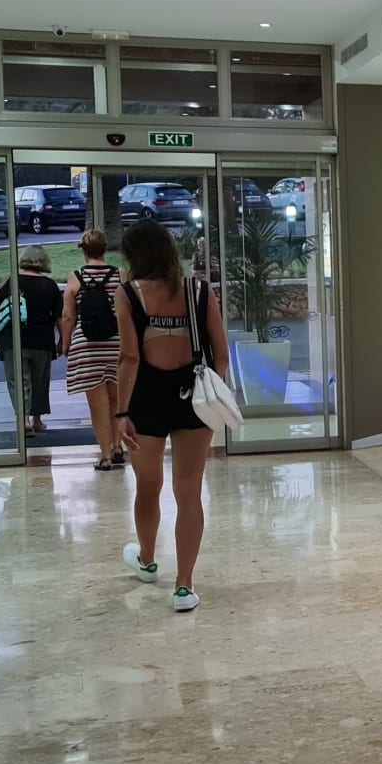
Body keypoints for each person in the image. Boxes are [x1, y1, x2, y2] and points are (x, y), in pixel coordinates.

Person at [114, 218, 228, 613]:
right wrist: (213, 394)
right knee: (189, 491)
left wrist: (121, 411)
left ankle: (147, 561)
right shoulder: (199, 291)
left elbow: (129, 357)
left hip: (144, 398)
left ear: (134, 256)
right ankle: (184, 586)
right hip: (192, 395)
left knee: (147, 486)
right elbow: (221, 354)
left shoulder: (127, 294)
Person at [60, 230, 125, 469]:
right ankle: (118, 446)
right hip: (116, 344)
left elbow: (68, 316)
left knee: (98, 405)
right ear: (105, 248)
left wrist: (66, 342)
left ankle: (105, 456)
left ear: (84, 250)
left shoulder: (75, 278)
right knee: (117, 400)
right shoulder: (120, 275)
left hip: (87, 347)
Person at [0, 248, 63, 435]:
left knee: (18, 381)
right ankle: (37, 420)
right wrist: (63, 339)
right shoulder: (50, 285)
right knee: (40, 381)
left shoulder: (11, 281)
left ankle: (23, 421)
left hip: (13, 339)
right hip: (42, 339)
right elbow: (59, 316)